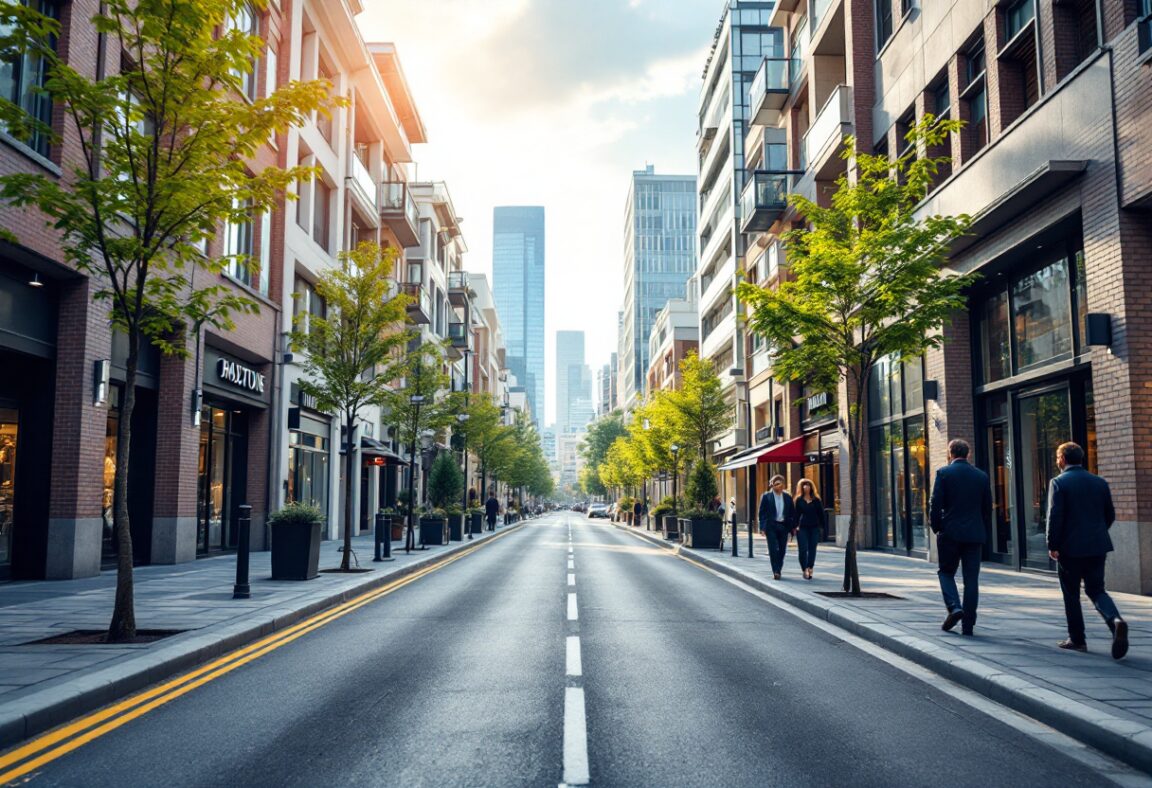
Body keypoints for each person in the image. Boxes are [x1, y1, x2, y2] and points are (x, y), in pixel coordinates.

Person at [1046, 441, 1128, 659]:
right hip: (1097, 545)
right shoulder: (1099, 482)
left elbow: (1055, 517)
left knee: (1071, 594)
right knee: (1096, 589)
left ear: (1062, 459)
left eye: (1057, 457)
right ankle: (1115, 621)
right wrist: (1097, 533)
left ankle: (1077, 639)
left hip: (1069, 549)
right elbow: (1109, 514)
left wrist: (1052, 545)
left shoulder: (1058, 483)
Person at [929, 438, 991, 636]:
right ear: (968, 453)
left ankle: (954, 607)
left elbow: (935, 504)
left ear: (950, 453)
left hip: (950, 533)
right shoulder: (981, 476)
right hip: (974, 534)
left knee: (946, 573)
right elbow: (987, 507)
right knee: (971, 580)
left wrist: (937, 527)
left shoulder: (944, 473)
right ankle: (968, 625)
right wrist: (981, 528)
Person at [758, 475, 794, 580]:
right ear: (772, 485)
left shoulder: (787, 497)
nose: (778, 486)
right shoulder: (766, 496)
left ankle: (779, 568)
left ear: (783, 485)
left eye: (780, 483)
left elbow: (792, 512)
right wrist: (762, 527)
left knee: (782, 550)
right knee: (773, 549)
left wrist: (791, 527)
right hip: (771, 526)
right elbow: (762, 513)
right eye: (776, 483)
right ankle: (776, 571)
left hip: (783, 526)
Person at [793, 479, 824, 580]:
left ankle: (810, 567)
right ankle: (804, 569)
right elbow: (796, 515)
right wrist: (794, 527)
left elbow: (821, 515)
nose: (806, 487)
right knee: (803, 549)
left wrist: (822, 528)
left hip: (814, 527)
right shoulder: (798, 500)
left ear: (811, 487)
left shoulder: (816, 500)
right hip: (802, 528)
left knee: (812, 549)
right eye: (804, 485)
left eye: (808, 485)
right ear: (801, 487)